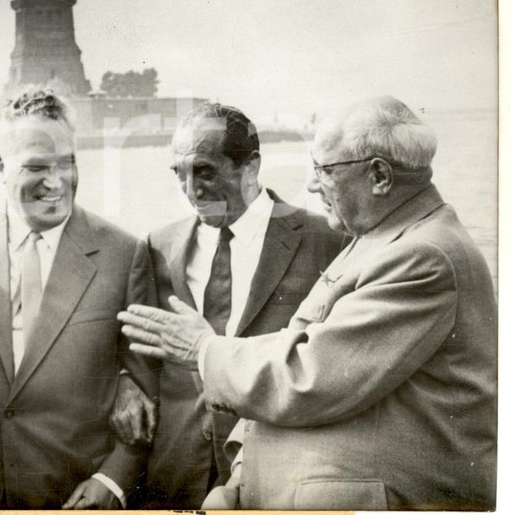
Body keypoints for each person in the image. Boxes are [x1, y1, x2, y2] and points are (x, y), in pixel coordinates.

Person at [119, 96, 497, 510]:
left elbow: (310, 374)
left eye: (324, 170)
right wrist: (241, 480)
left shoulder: (422, 257)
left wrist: (202, 349)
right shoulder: (379, 241)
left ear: (380, 176)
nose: (313, 185)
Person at [117, 101, 344, 508]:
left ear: (251, 167)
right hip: (174, 479)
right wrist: (124, 381)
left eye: (204, 170)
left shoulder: (325, 241)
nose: (191, 190)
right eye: (180, 174)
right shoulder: (158, 247)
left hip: (277, 478)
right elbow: (139, 361)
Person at [0, 86, 154, 509]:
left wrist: (112, 480)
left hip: (74, 493)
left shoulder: (124, 254)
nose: (57, 183)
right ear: (0, 166)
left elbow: (148, 386)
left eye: (68, 163)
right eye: (37, 166)